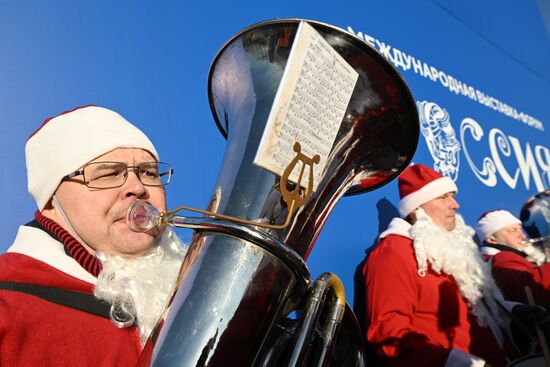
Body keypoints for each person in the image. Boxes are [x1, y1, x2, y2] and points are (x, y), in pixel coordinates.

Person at [0, 106, 187, 366]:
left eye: (149, 173)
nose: (138, 188)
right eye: (109, 173)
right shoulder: (6, 308)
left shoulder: (193, 287)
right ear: (51, 201)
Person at [362, 163, 525, 367]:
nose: (455, 204)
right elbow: (387, 332)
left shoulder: (455, 250)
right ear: (416, 208)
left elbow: (476, 312)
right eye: (443, 197)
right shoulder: (396, 250)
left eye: (452, 196)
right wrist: (458, 363)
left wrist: (514, 312)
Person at [476, 210, 550, 308]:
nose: (523, 237)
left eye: (521, 230)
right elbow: (529, 287)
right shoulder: (502, 257)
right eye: (514, 230)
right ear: (491, 239)